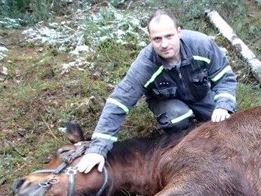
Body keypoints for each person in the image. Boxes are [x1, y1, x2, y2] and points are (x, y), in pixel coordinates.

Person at [76, 10, 237, 174]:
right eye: (157, 39)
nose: (164, 44)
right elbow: (119, 102)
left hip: (200, 96)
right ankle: (182, 147)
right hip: (167, 102)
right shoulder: (145, 65)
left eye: (169, 36)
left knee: (225, 126)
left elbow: (225, 77)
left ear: (179, 31)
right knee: (177, 116)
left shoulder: (202, 45)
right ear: (150, 38)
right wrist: (97, 149)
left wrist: (223, 105)